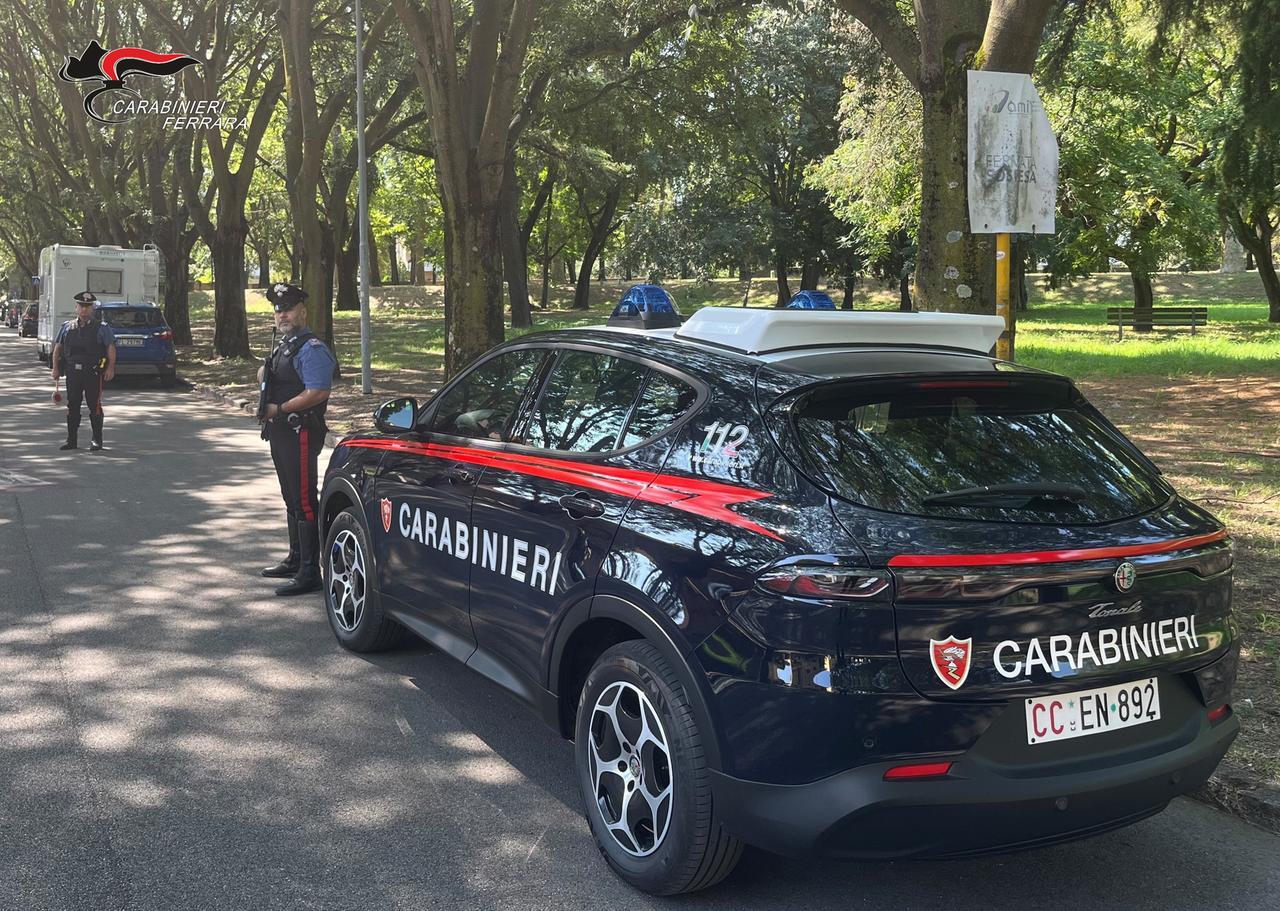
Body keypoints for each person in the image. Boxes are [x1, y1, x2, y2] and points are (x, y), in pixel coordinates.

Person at [258, 282, 337, 596]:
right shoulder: (286, 344)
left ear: (303, 311)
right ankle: (295, 559)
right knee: (290, 497)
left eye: (288, 309)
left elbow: (317, 391)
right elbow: (273, 376)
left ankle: (309, 571)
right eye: (278, 310)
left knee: (303, 500)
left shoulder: (312, 348)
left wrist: (279, 409)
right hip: (281, 431)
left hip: (300, 430)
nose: (283, 315)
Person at [50, 291, 116, 451]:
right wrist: (55, 368)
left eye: (87, 306)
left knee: (95, 405)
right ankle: (71, 440)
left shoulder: (102, 328)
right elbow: (58, 348)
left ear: (92, 308)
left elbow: (110, 348)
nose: (84, 309)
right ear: (76, 308)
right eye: (81, 306)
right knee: (73, 405)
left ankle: (97, 440)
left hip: (93, 372)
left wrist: (110, 367)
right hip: (73, 372)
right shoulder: (67, 327)